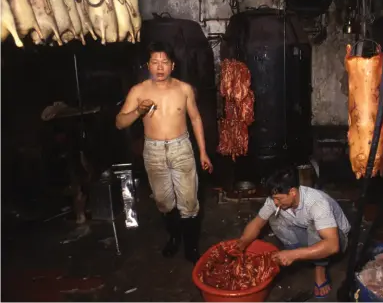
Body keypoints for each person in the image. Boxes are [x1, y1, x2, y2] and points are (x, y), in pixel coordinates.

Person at [116, 41, 213, 263]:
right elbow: (120, 122)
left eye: (164, 62)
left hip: (182, 147)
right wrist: (138, 111)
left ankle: (190, 246)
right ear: (148, 65)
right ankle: (174, 238)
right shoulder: (139, 91)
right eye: (155, 62)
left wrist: (203, 152)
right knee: (164, 201)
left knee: (189, 202)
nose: (160, 68)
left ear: (173, 65)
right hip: (154, 151)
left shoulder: (184, 89)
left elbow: (196, 119)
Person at [237, 167, 350, 298]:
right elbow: (257, 223)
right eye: (273, 198)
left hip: (337, 239)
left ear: (293, 192)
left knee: (315, 227)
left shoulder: (317, 203)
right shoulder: (276, 199)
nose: (275, 202)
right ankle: (302, 254)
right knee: (273, 218)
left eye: (279, 199)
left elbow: (333, 245)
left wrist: (293, 255)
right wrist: (242, 243)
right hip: (306, 231)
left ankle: (320, 270)